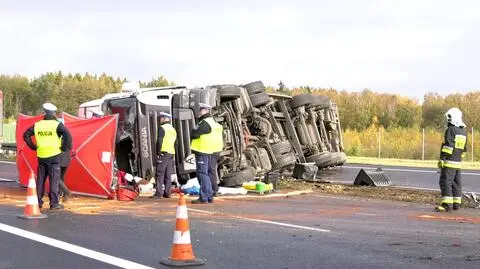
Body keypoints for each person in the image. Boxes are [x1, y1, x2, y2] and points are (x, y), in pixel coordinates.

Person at [23, 103, 71, 210]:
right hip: (54, 156)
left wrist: (33, 146)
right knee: (54, 180)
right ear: (53, 113)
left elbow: (25, 134)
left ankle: (38, 202)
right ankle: (54, 203)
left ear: (44, 113)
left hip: (41, 156)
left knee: (40, 180)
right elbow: (68, 136)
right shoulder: (57, 125)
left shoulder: (38, 124)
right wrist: (63, 148)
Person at [435, 107, 467, 212]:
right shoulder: (463, 131)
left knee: (445, 182)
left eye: (449, 117)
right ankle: (456, 204)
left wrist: (442, 159)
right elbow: (464, 148)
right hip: (458, 163)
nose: (448, 119)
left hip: (449, 162)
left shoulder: (450, 130)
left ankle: (446, 205)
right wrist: (458, 158)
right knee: (456, 183)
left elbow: (448, 146)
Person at [190, 103, 223, 204]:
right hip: (212, 151)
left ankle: (204, 197)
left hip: (202, 150)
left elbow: (194, 134)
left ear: (205, 111)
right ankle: (209, 196)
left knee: (203, 174)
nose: (199, 112)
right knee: (209, 173)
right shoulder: (215, 123)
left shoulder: (205, 123)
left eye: (201, 110)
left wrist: (194, 130)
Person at [152, 112, 177, 199]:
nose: (160, 119)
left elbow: (159, 141)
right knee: (168, 174)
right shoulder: (172, 129)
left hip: (164, 152)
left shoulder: (162, 128)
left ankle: (159, 193)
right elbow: (176, 143)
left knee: (160, 173)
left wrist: (158, 152)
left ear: (163, 118)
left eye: (160, 118)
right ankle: (167, 193)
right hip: (171, 153)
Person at [58, 118, 73, 202]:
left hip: (59, 157)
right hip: (66, 159)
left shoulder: (58, 133)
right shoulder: (68, 133)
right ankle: (63, 195)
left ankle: (66, 192)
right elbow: (70, 147)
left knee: (56, 177)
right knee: (61, 177)